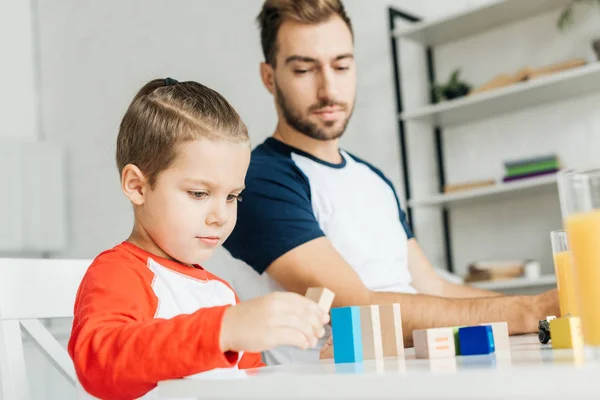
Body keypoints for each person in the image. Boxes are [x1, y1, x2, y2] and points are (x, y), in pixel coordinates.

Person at [222, 0, 559, 365]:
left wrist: (548, 311)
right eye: (304, 69)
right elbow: (360, 309)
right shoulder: (259, 178)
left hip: (412, 369)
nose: (328, 88)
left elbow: (435, 288)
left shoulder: (372, 177)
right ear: (269, 77)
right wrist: (528, 310)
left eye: (341, 65)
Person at [68, 78, 329, 399]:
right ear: (137, 186)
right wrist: (223, 330)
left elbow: (250, 383)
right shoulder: (119, 273)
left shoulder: (220, 293)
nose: (220, 215)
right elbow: (101, 363)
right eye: (199, 193)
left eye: (233, 196)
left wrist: (315, 369)